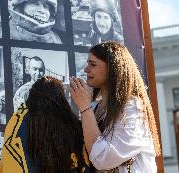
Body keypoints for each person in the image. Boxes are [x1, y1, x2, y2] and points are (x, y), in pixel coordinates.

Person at [69, 41, 161, 172]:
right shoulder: (96, 107)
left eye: (92, 64)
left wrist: (84, 107)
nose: (86, 69)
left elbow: (103, 159)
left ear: (112, 69)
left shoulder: (132, 107)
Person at [0, 76, 94, 173]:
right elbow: (84, 163)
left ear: (31, 98)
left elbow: (13, 158)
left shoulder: (20, 123)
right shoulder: (74, 125)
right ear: (61, 99)